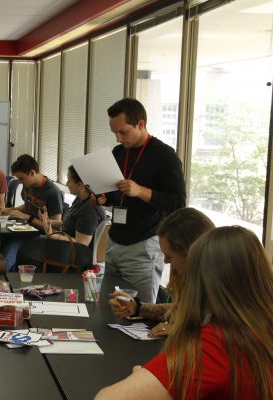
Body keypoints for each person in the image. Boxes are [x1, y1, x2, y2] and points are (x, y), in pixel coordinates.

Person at [95, 226, 273, 400]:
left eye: (170, 257)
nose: (166, 263)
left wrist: (140, 377)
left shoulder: (215, 346)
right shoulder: (260, 326)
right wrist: (140, 308)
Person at [101, 98, 186, 303]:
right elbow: (117, 194)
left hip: (144, 242)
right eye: (114, 133)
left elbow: (178, 203)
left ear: (140, 124)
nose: (118, 138)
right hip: (115, 239)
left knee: (140, 311)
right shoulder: (119, 152)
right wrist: (103, 198)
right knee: (109, 305)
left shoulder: (164, 155)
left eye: (123, 131)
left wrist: (140, 191)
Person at [108, 207, 214, 337]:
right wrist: (137, 308)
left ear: (191, 253)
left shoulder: (222, 286)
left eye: (170, 257)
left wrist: (184, 331)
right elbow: (183, 309)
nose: (165, 261)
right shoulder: (198, 278)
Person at [1, 154, 64, 270]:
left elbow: (55, 229)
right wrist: (9, 210)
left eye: (21, 178)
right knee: (1, 240)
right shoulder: (29, 185)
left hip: (41, 235)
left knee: (11, 248)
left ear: (32, 172)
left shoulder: (53, 193)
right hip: (26, 230)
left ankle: (1, 274)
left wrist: (28, 218)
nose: (20, 182)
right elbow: (28, 206)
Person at [39, 165, 105, 270]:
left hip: (75, 258)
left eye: (69, 181)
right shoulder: (80, 199)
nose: (66, 184)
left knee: (29, 252)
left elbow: (81, 244)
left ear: (80, 185)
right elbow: (70, 223)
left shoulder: (89, 209)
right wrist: (48, 221)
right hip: (66, 250)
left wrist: (53, 235)